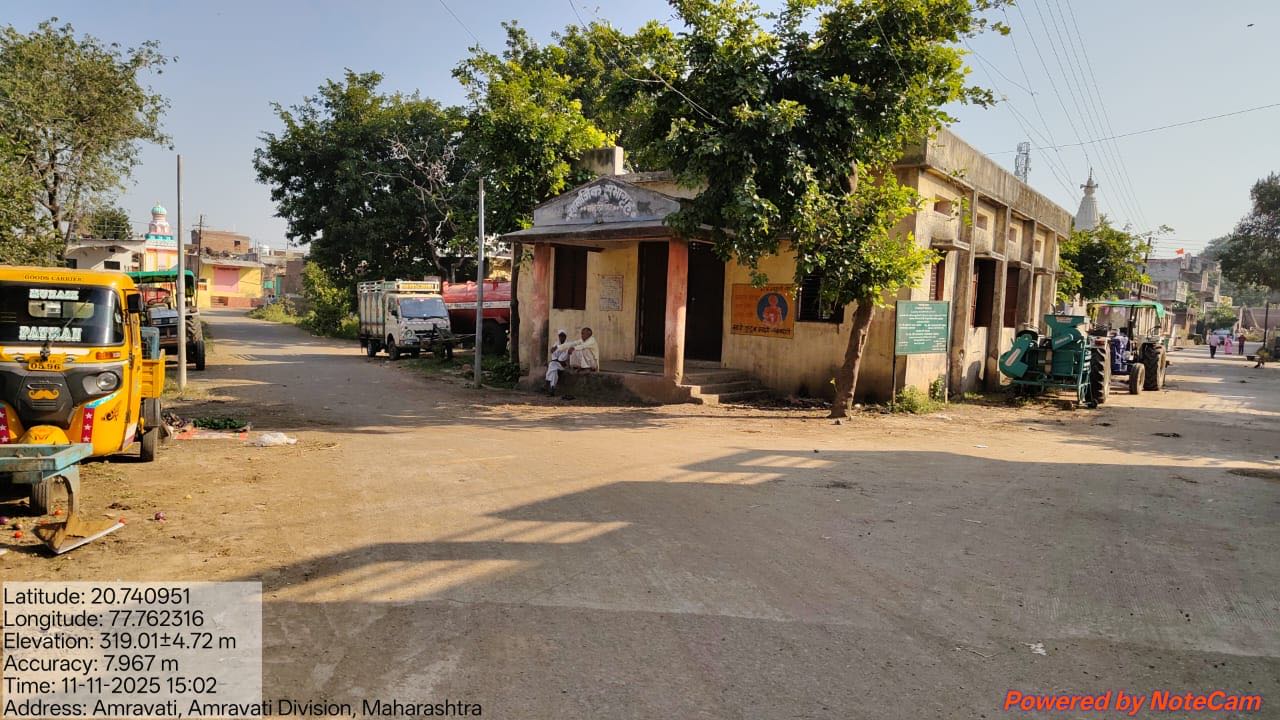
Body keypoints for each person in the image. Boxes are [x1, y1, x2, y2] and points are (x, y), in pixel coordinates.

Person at [545, 330, 571, 394]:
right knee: (554, 372)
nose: (561, 337)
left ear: (565, 337)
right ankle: (552, 388)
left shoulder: (568, 345)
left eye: (563, 336)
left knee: (551, 365)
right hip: (556, 364)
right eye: (560, 336)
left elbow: (563, 358)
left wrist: (557, 360)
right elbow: (553, 353)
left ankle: (547, 382)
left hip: (564, 365)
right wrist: (556, 359)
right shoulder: (556, 343)